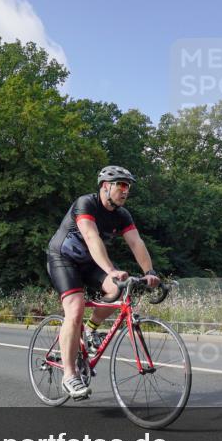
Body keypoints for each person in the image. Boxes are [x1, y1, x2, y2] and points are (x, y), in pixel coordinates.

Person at [46, 165, 160, 400]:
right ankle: (69, 375)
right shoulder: (85, 204)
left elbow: (136, 243)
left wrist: (149, 271)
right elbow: (90, 236)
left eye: (127, 186)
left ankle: (90, 329)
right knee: (75, 308)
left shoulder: (122, 215)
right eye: (121, 185)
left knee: (119, 289)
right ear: (105, 186)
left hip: (89, 262)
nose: (125, 191)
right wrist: (110, 269)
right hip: (63, 258)